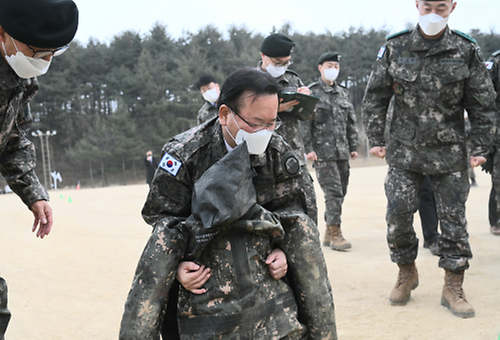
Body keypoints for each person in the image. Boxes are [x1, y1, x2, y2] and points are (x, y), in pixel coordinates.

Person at [119, 68, 337, 339]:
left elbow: (294, 214)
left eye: (272, 123)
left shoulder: (277, 152)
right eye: (256, 123)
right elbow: (162, 220)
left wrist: (284, 252)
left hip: (262, 272)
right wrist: (177, 269)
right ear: (224, 115)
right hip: (203, 272)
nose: (265, 133)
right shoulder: (185, 154)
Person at [362, 0, 496, 319]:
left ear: (453, 6)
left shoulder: (466, 50)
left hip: (449, 153)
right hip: (404, 152)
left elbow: (484, 104)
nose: (433, 13)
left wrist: (480, 146)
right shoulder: (396, 47)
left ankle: (453, 286)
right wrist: (376, 139)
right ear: (416, 5)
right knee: (397, 215)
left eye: (441, 7)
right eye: (427, 6)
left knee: (453, 223)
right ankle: (407, 272)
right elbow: (375, 96)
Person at [0, 0, 79, 338]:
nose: (43, 62)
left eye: (52, 54)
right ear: (3, 32)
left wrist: (33, 192)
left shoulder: (19, 74)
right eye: (37, 51)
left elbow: (12, 136)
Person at [257, 33, 318, 224]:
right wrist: (275, 108)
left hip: (293, 156)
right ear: (263, 56)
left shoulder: (292, 80)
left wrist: (305, 101)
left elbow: (307, 116)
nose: (282, 66)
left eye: (286, 62)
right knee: (267, 214)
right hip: (261, 159)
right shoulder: (250, 81)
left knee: (308, 209)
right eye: (277, 62)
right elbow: (241, 114)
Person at [302, 52, 358, 251]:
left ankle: (328, 230)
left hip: (342, 152)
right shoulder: (313, 92)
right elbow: (305, 123)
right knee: (333, 193)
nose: (333, 69)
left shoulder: (344, 93)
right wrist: (308, 149)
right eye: (329, 65)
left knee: (341, 192)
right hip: (323, 154)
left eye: (336, 65)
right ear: (320, 68)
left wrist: (354, 146)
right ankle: (336, 233)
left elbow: (350, 122)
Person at [485, 49, 500, 236]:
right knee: (498, 180)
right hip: (498, 132)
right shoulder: (495, 61)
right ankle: (495, 219)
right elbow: (485, 97)